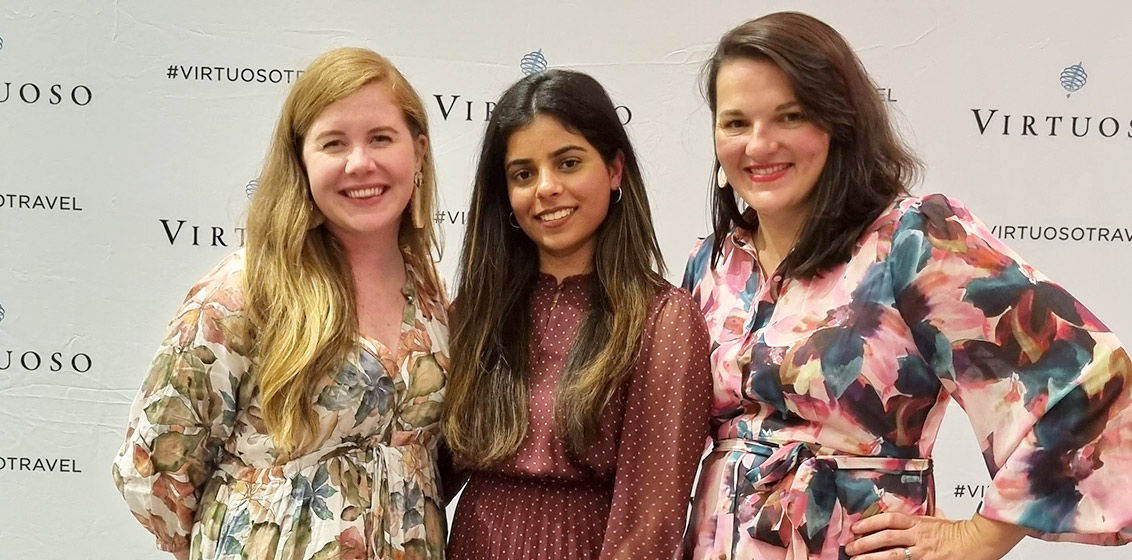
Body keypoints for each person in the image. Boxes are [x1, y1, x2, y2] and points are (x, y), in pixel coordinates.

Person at [681, 11, 1132, 560]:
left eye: (790, 116)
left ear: (839, 123)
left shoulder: (911, 240)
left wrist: (979, 537)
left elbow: (1090, 378)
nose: (759, 144)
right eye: (735, 123)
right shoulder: (710, 263)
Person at [112, 47, 449, 560]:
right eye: (334, 143)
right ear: (301, 161)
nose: (361, 163)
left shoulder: (430, 294)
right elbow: (154, 468)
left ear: (418, 152)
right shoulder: (243, 293)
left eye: (381, 138)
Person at [441, 69, 713, 559]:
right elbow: (424, 474)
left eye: (568, 163)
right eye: (523, 174)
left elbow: (651, 523)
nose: (546, 188)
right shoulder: (474, 312)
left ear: (614, 170)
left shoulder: (662, 320)